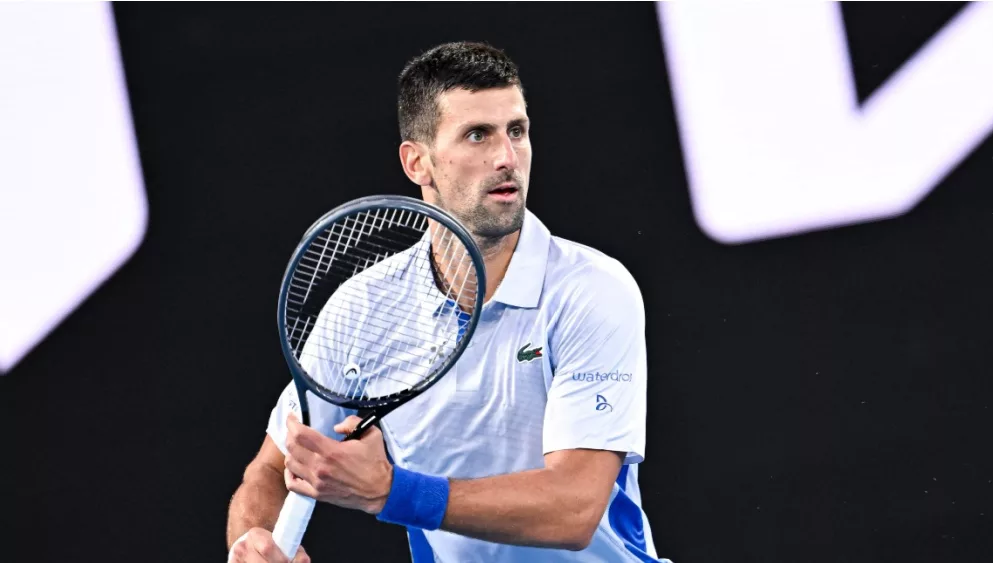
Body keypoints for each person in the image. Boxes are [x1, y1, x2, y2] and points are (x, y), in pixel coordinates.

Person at [226, 41, 668, 563]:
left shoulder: (591, 289)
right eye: (477, 135)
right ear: (418, 163)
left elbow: (575, 508)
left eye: (517, 132)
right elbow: (273, 467)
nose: (506, 157)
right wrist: (253, 540)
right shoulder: (364, 308)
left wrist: (393, 492)